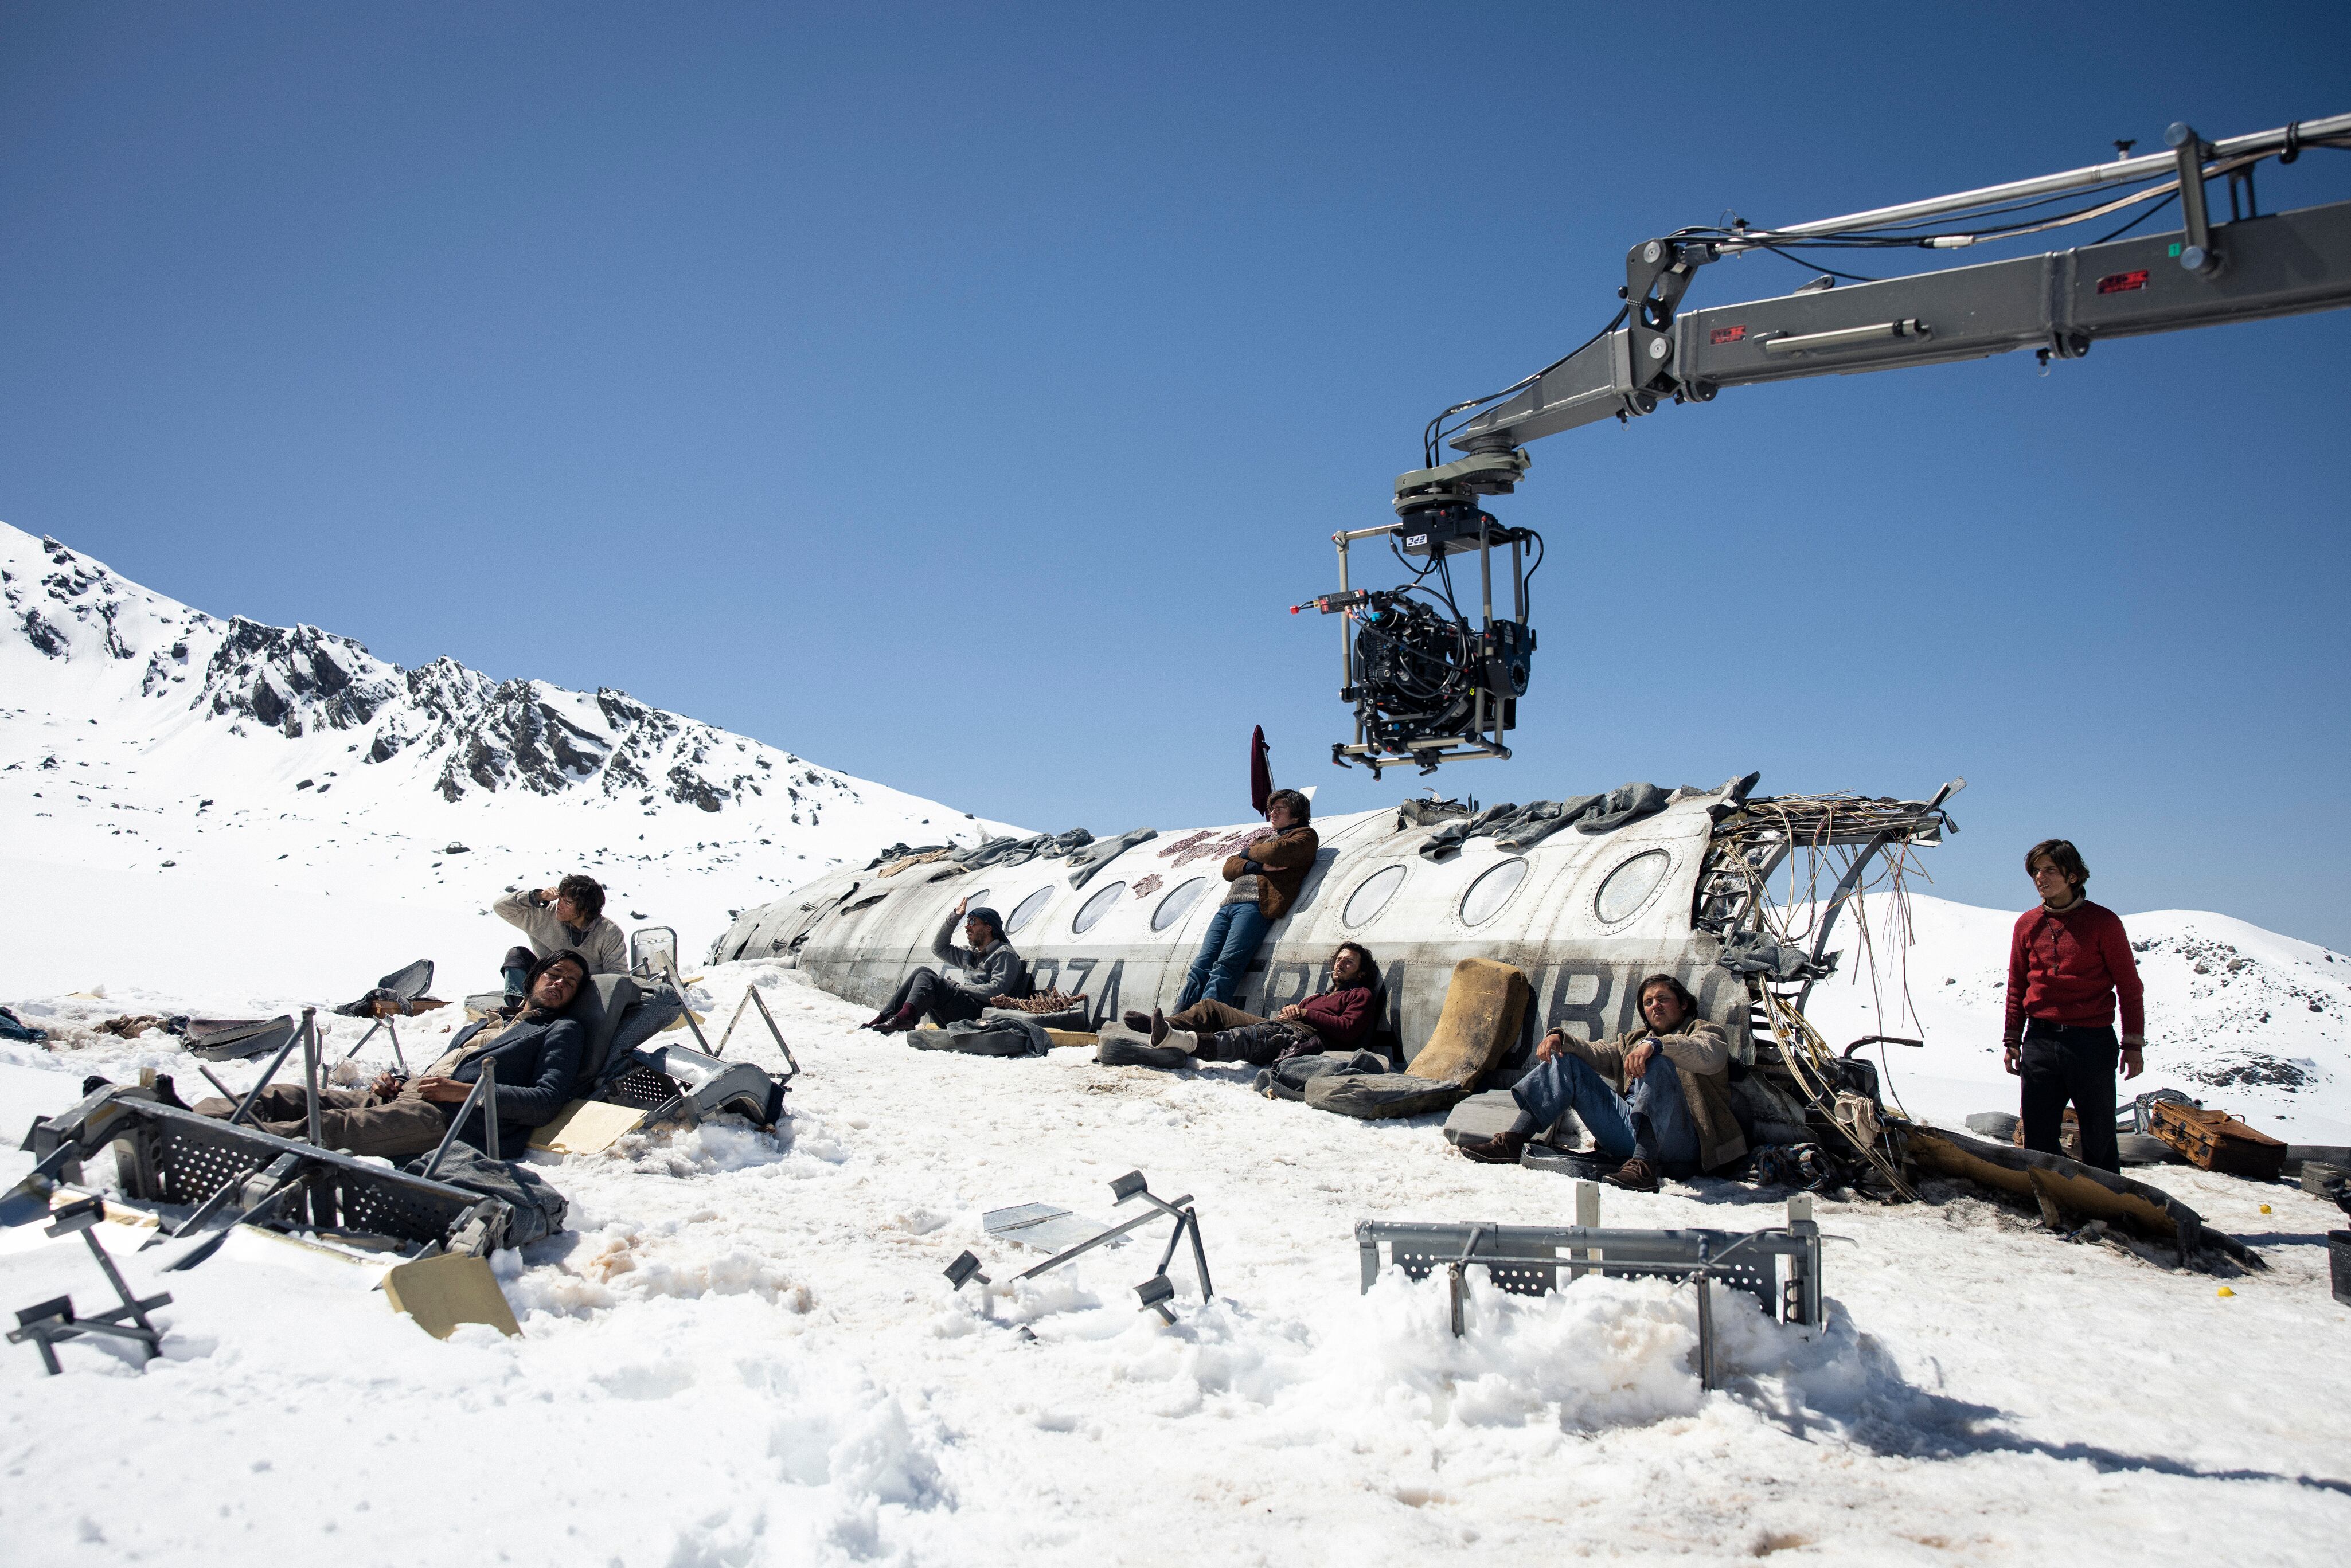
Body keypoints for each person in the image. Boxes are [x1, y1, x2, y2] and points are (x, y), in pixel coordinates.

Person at [186, 951, 589, 1159]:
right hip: (407, 1099)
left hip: (451, 1120)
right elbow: (443, 1072)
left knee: (331, 1127)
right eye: (554, 974)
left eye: (570, 983)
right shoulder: (487, 1022)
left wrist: (464, 1094)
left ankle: (202, 1141)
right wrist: (399, 1083)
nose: (559, 984)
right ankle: (186, 1117)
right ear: (534, 978)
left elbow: (544, 1102)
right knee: (283, 1095)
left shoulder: (561, 1030)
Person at [1455, 973, 1747, 1191]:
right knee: (1567, 1061)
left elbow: (1707, 1054)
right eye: (1648, 1002)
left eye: (1663, 999)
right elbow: (1597, 1052)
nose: (1655, 1006)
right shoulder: (1634, 1041)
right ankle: (1512, 1142)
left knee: (1658, 1062)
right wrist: (1560, 1038)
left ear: (1683, 1004)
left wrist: (1657, 1046)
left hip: (1684, 1142)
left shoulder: (1705, 1032)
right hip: (1629, 1131)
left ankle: (1645, 1168)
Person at [2005, 838, 2144, 1173]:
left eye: (2050, 870)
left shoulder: (2104, 923)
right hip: (2040, 1040)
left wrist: (2133, 1044)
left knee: (2099, 1136)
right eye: (2036, 871)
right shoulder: (2027, 924)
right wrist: (2012, 1039)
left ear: (2073, 876)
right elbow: (2017, 985)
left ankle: (2104, 1202)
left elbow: (2130, 987)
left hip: (2091, 1042)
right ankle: (2047, 1199)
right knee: (2037, 1135)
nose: (2040, 877)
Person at [1103, 943, 1380, 1068]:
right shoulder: (1317, 996)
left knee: (1250, 1038)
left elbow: (1348, 1030)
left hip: (1301, 1036)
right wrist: (1292, 1011)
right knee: (1211, 1007)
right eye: (1339, 959)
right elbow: (1302, 1014)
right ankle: (1164, 1026)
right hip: (1283, 1025)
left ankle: (1180, 1040)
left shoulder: (1360, 995)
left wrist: (1305, 1014)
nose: (1340, 964)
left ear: (1361, 972)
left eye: (1349, 962)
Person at [1173, 789, 1319, 1012]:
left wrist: (1247, 854)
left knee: (1227, 964)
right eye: (1272, 809)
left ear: (1296, 815)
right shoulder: (1263, 840)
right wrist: (1257, 864)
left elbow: (1276, 853)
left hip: (1255, 906)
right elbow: (1228, 868)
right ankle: (1179, 1015)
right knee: (1201, 964)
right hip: (1229, 905)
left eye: (1280, 809)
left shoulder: (1305, 836)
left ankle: (1205, 1018)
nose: (1273, 813)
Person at [861, 897, 1028, 1034]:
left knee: (928, 979)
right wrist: (955, 917)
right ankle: (886, 1017)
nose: (967, 926)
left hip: (980, 1015)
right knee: (922, 971)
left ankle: (905, 1018)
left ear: (989, 927)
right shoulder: (971, 953)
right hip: (963, 1009)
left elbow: (997, 991)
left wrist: (960, 988)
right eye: (967, 922)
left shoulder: (1004, 954)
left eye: (972, 922)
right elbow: (939, 948)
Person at [494, 875, 627, 995]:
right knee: (517, 955)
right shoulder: (544, 915)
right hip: (545, 984)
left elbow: (618, 974)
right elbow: (501, 907)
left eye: (567, 903)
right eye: (560, 900)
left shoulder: (609, 932)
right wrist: (539, 896)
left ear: (585, 909)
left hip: (583, 992)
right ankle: (518, 1006)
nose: (559, 905)